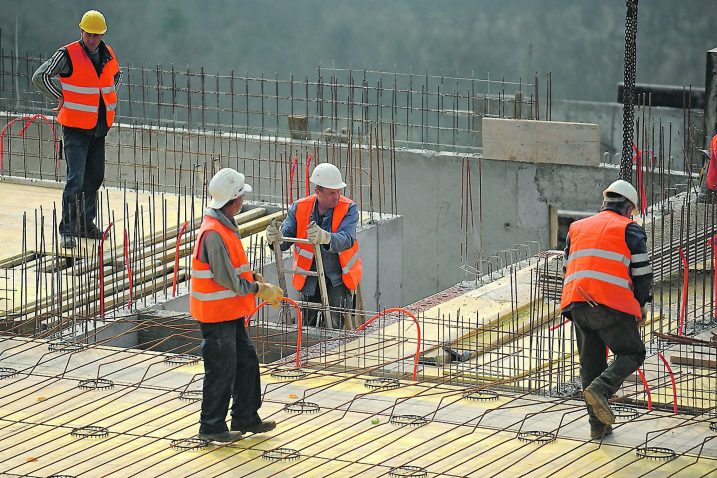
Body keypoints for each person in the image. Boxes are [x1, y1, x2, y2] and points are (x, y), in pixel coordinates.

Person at [190, 168, 283, 444]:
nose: (243, 201)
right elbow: (225, 277)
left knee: (245, 362)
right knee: (221, 370)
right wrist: (258, 289)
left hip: (229, 312)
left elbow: (233, 268)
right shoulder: (214, 233)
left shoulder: (225, 224)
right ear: (233, 200)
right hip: (216, 316)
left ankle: (245, 416)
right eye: (241, 196)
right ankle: (211, 426)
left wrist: (251, 277)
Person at [560, 179, 653, 440]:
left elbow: (568, 269)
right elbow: (642, 274)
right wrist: (640, 306)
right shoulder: (629, 229)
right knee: (632, 352)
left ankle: (598, 428)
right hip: (609, 304)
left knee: (591, 365)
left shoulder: (576, 228)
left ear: (605, 204)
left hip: (577, 303)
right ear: (627, 208)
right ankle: (602, 388)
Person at [32, 10, 121, 249]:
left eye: (96, 35)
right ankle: (68, 230)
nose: (92, 39)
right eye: (88, 34)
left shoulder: (108, 53)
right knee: (76, 179)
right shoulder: (68, 54)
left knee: (95, 177)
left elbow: (115, 77)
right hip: (74, 128)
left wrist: (104, 101)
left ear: (102, 34)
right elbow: (40, 76)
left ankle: (85, 224)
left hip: (99, 127)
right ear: (81, 31)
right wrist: (59, 96)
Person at [266, 162, 362, 329]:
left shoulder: (349, 208)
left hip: (337, 279)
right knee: (307, 325)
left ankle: (331, 353)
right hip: (309, 278)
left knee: (333, 325)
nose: (337, 196)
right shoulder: (300, 207)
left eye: (338, 191)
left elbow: (347, 239)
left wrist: (325, 237)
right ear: (318, 192)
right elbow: (285, 239)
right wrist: (275, 239)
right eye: (332, 193)